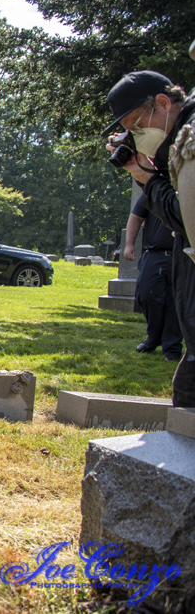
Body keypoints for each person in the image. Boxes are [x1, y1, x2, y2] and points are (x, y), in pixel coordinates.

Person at [105, 70, 195, 407]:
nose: (135, 135)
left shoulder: (190, 137)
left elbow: (186, 216)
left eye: (137, 126)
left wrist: (144, 175)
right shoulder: (178, 140)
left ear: (162, 103)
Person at [123, 201, 182, 360]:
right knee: (145, 294)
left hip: (182, 254)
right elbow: (136, 216)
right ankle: (154, 338)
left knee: (176, 301)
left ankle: (172, 347)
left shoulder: (189, 188)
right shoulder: (154, 189)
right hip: (155, 252)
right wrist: (129, 244)